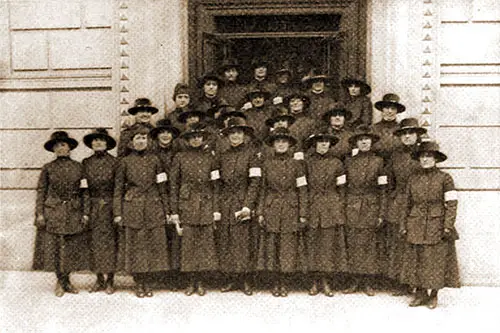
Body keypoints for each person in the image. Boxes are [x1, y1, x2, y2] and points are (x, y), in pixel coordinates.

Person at [400, 141, 460, 309]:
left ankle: (433, 295)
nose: (425, 160)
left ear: (436, 159)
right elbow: (406, 203)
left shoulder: (445, 178)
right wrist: (403, 224)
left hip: (436, 224)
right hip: (415, 222)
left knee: (434, 261)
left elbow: (452, 203)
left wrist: (448, 225)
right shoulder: (413, 178)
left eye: (429, 156)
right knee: (417, 259)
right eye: (422, 156)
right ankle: (419, 294)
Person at [113, 127, 170, 298]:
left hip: (153, 206)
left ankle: (149, 281)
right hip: (133, 206)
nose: (141, 141)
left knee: (153, 243)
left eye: (144, 138)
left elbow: (162, 186)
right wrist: (118, 212)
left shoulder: (155, 160)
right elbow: (118, 189)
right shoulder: (124, 162)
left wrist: (166, 209)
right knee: (136, 245)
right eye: (137, 138)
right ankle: (138, 282)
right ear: (131, 142)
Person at [33, 131, 89, 297]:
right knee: (56, 248)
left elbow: (85, 191)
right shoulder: (48, 168)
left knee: (70, 247)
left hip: (73, 211)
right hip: (54, 211)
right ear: (53, 149)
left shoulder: (79, 167)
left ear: (69, 147)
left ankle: (67, 280)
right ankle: (60, 280)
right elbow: (41, 191)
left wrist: (85, 212)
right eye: (56, 146)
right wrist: (40, 213)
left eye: (63, 145)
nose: (60, 148)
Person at [256, 128, 308, 297]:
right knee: (272, 245)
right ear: (273, 144)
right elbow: (262, 189)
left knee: (287, 246)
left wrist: (302, 212)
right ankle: (274, 281)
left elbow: (302, 190)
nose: (281, 144)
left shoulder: (297, 165)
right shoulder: (266, 164)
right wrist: (261, 212)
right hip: (272, 208)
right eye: (278, 141)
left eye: (284, 141)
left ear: (289, 145)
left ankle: (285, 282)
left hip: (290, 209)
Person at [169, 124, 220, 296]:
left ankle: (201, 281)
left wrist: (215, 208)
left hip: (205, 203)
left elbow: (215, 185)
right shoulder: (180, 157)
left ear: (203, 139)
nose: (196, 140)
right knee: (188, 244)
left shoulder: (210, 158)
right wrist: (174, 210)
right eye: (192, 137)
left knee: (205, 244)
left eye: (199, 136)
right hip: (187, 204)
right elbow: (173, 185)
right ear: (187, 140)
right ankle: (190, 281)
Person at [216, 118, 261, 295]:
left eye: (239, 133)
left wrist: (248, 205)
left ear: (244, 135)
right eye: (232, 133)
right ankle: (230, 278)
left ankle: (246, 279)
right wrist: (218, 205)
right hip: (226, 202)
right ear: (227, 136)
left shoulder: (252, 155)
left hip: (243, 201)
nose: (235, 136)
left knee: (243, 241)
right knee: (227, 239)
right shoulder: (222, 156)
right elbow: (216, 181)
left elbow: (255, 182)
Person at [343, 125, 388, 296]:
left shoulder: (379, 162)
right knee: (353, 243)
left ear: (371, 142)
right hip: (352, 205)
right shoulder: (348, 162)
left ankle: (368, 281)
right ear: (356, 143)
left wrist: (381, 212)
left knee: (369, 244)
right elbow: (343, 187)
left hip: (371, 205)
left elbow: (383, 189)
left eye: (366, 140)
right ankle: (354, 280)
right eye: (360, 140)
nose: (364, 142)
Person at [303, 133, 348, 297]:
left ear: (330, 145)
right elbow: (302, 187)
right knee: (313, 244)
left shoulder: (337, 163)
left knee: (328, 245)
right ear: (314, 144)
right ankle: (314, 281)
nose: (323, 145)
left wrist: (339, 207)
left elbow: (342, 189)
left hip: (331, 206)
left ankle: (326, 281)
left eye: (326, 142)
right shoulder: (307, 163)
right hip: (312, 206)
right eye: (320, 142)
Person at [386, 118, 427, 296]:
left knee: (417, 243)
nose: (407, 136)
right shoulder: (395, 155)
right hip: (399, 202)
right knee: (399, 244)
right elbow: (389, 180)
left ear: (417, 135)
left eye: (411, 133)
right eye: (404, 134)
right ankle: (401, 282)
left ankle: (419, 283)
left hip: (418, 204)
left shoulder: (424, 154)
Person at [82, 128, 119, 294]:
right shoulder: (86, 163)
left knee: (110, 243)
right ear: (91, 144)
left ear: (107, 144)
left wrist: (117, 209)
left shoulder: (115, 162)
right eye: (95, 140)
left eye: (101, 140)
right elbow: (84, 188)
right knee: (94, 243)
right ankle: (99, 279)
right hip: (93, 206)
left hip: (110, 206)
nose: (98, 143)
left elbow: (119, 187)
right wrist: (86, 209)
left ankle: (111, 280)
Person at [150, 119, 181, 290]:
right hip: (157, 197)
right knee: (159, 238)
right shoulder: (151, 154)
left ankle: (174, 276)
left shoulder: (178, 152)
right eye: (162, 132)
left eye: (168, 132)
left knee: (175, 238)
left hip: (176, 196)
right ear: (157, 136)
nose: (165, 135)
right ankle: (158, 275)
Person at [372, 93, 406, 163]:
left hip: (397, 164)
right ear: (382, 109)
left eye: (393, 108)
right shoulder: (373, 129)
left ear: (397, 111)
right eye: (387, 108)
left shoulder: (402, 129)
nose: (390, 111)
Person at [285, 93, 317, 160]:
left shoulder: (310, 123)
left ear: (303, 104)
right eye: (292, 101)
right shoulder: (283, 121)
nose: (295, 103)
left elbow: (314, 143)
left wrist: (305, 155)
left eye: (299, 101)